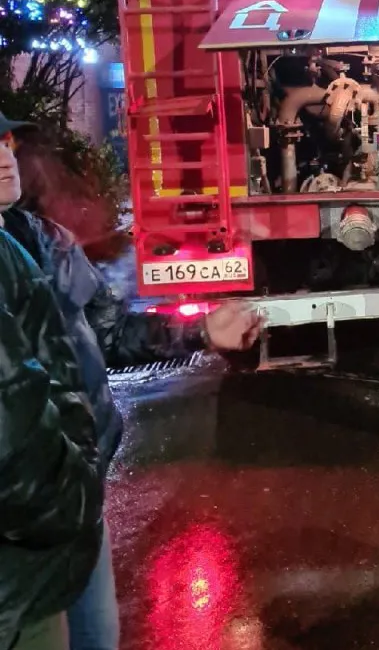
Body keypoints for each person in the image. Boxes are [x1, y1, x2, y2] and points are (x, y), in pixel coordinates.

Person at [0, 112, 264, 649]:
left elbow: (110, 330)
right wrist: (60, 499)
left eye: (3, 141)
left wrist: (201, 333)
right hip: (22, 539)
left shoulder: (39, 240)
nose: (3, 159)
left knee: (97, 640)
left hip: (75, 508)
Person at [0, 227, 103, 650]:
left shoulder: (33, 236)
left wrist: (194, 332)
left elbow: (93, 330)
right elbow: (14, 453)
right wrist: (79, 497)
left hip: (60, 546)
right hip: (23, 581)